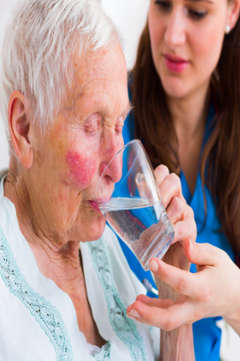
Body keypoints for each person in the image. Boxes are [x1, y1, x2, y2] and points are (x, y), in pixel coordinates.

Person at [0, 0, 197, 360]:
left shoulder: (103, 245)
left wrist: (174, 300)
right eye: (92, 127)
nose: (118, 170)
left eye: (120, 124)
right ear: (24, 129)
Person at [120, 0, 240, 360]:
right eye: (162, 4)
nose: (172, 36)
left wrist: (234, 299)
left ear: (232, 12)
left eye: (197, 12)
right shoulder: (109, 118)